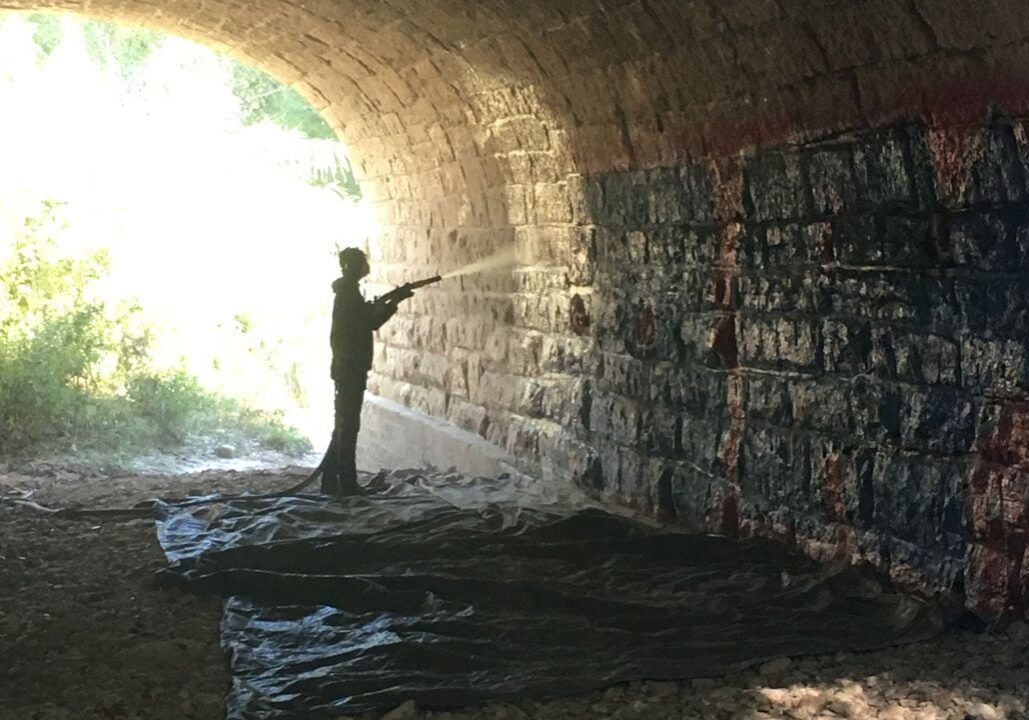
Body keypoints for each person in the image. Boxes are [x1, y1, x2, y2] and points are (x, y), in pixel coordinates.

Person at [323, 247, 413, 496]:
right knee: (348, 426)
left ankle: (331, 482)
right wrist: (395, 301)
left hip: (347, 367)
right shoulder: (349, 295)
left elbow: (363, 320)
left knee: (343, 425)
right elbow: (369, 323)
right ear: (353, 266)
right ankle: (347, 485)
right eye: (362, 261)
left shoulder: (348, 292)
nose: (366, 265)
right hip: (350, 368)